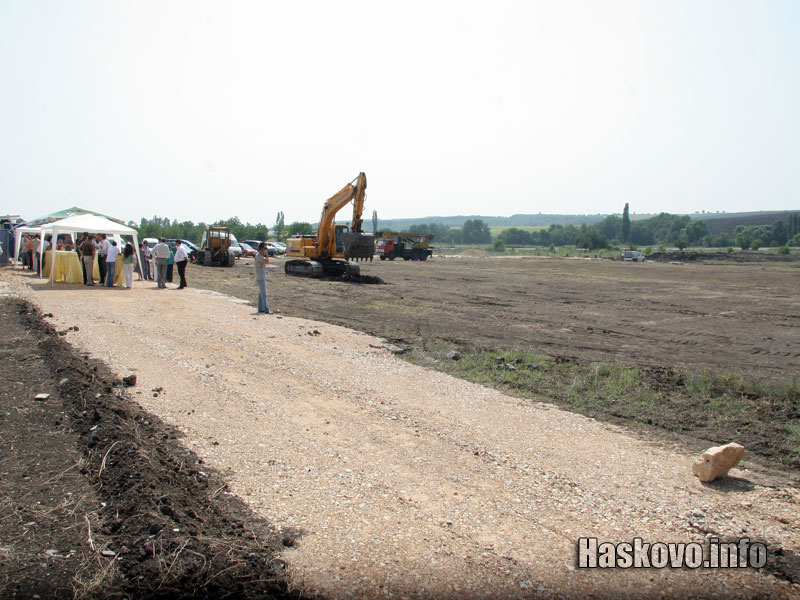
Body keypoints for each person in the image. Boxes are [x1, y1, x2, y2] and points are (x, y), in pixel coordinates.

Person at [254, 242, 272, 314]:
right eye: (265, 248)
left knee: (260, 294)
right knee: (264, 294)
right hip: (260, 277)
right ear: (261, 249)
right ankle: (267, 310)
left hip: (261, 276)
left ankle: (260, 309)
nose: (266, 250)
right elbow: (267, 262)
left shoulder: (260, 255)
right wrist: (267, 255)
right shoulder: (259, 256)